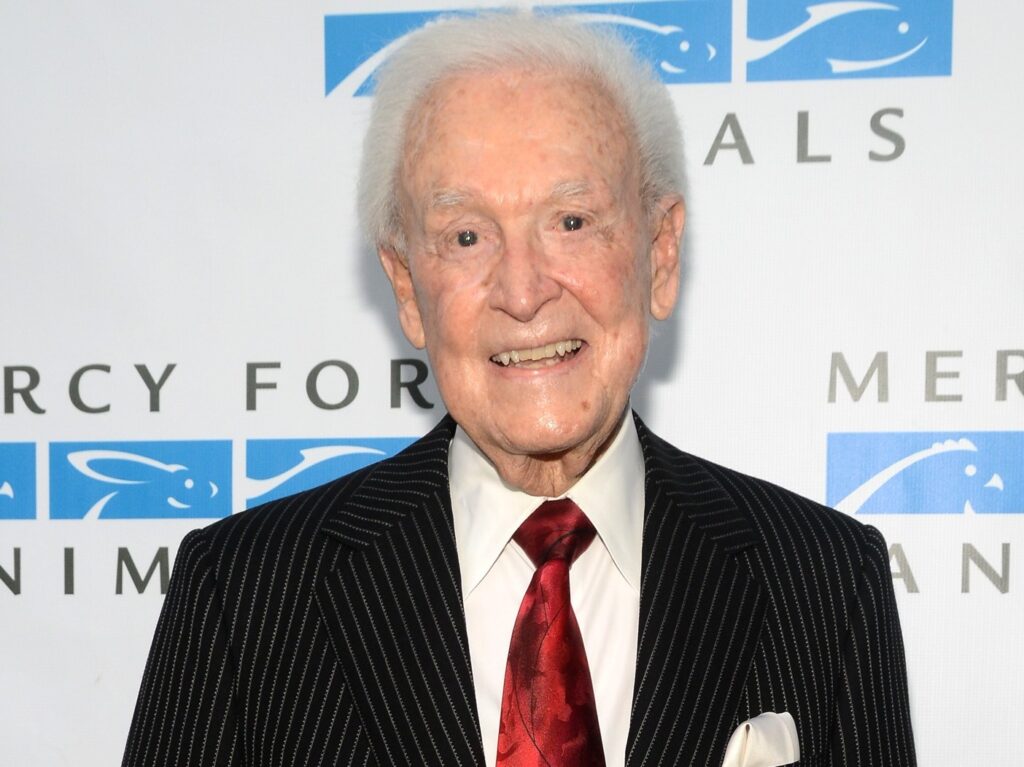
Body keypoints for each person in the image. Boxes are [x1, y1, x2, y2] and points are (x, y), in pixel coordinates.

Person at [123, 10, 915, 767]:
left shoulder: (824, 580)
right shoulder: (245, 594)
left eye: (571, 220)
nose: (524, 290)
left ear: (660, 255)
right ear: (406, 286)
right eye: (466, 236)